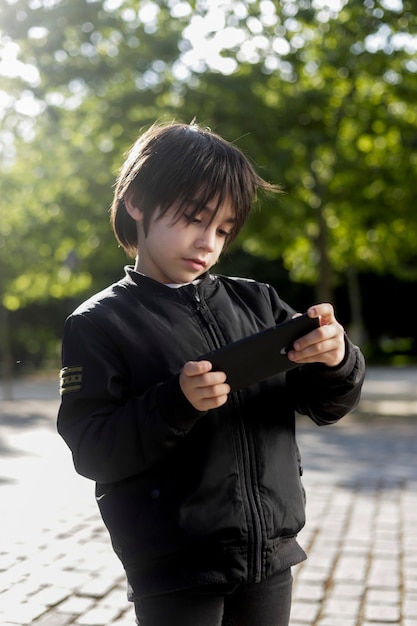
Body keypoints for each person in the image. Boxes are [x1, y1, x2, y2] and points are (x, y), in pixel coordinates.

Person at [57, 121, 365, 626]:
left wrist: (336, 359)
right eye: (194, 220)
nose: (208, 243)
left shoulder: (258, 301)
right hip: (175, 568)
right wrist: (176, 402)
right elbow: (92, 449)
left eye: (223, 229)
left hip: (270, 557)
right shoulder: (98, 323)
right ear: (136, 201)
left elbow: (326, 405)